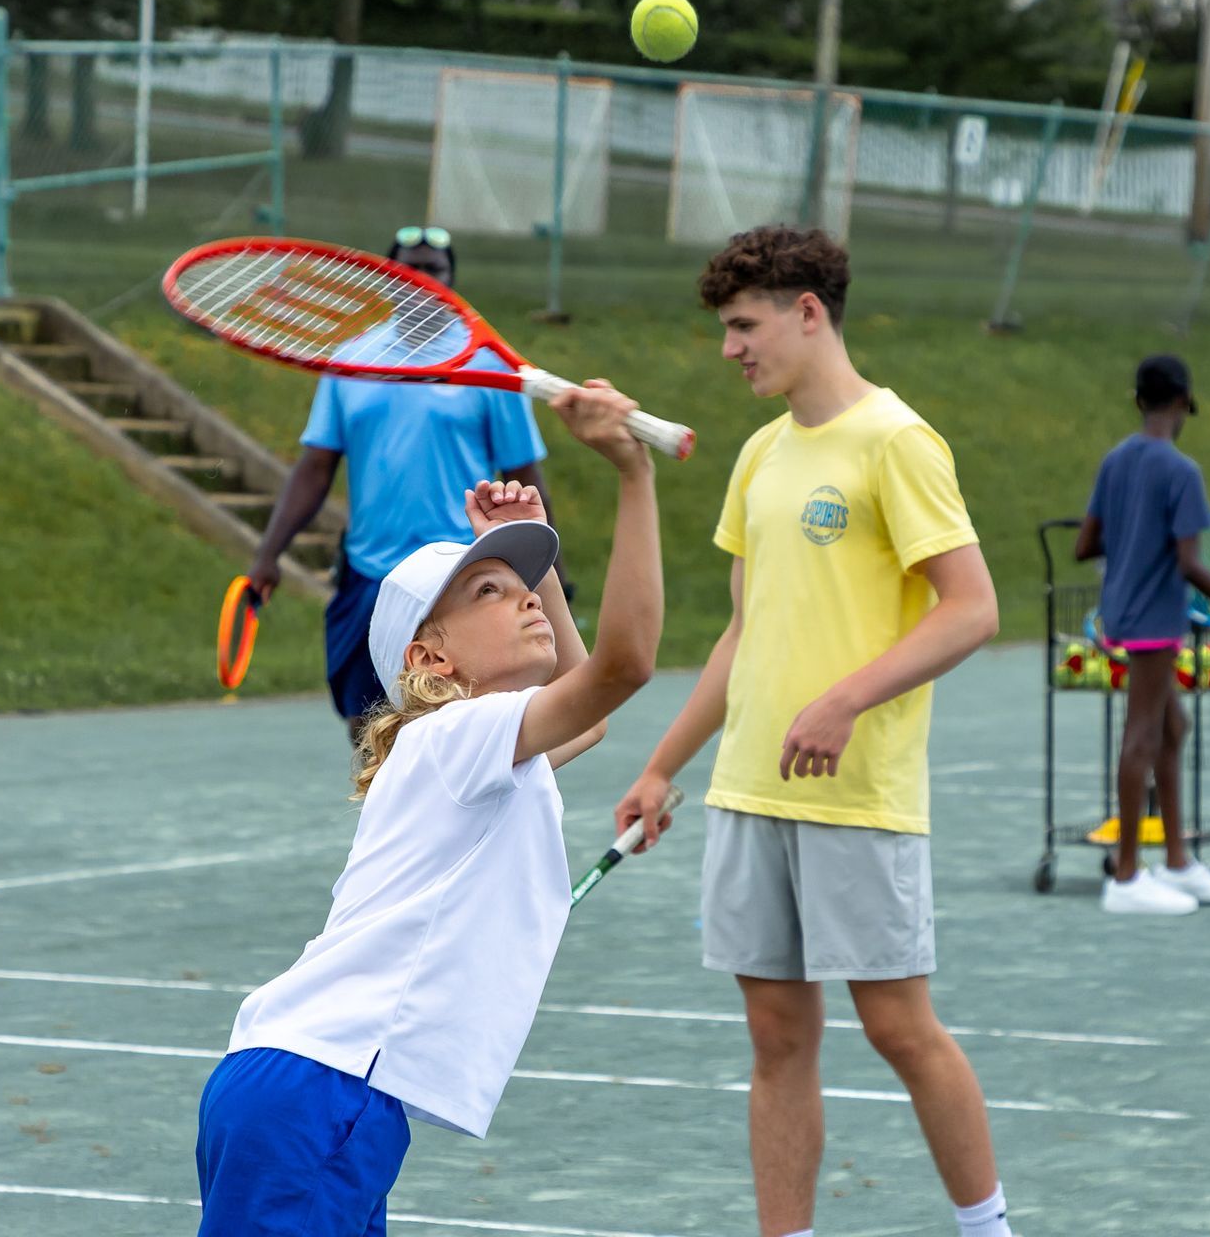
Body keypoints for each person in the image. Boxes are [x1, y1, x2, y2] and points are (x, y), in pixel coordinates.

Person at [614, 226, 1018, 1237]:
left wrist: (846, 699)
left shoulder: (896, 440)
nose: (729, 348)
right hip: (749, 790)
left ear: (808, 312)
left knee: (899, 1027)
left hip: (858, 793)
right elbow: (746, 631)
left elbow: (971, 607)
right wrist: (663, 765)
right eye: (724, 329)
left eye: (744, 325)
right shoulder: (759, 455)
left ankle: (989, 1227)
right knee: (774, 1037)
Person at [195, 382, 661, 1235]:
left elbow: (588, 717)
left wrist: (541, 570)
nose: (524, 599)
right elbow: (620, 670)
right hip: (318, 1088)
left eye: (523, 588)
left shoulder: (468, 753)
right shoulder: (456, 737)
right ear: (431, 658)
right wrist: (632, 475)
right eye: (489, 592)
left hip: (328, 1094)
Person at [245, 225, 568, 743]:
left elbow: (526, 478)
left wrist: (554, 573)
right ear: (387, 278)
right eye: (409, 268)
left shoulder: (487, 365)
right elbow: (314, 469)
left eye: (434, 269)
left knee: (465, 722)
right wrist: (268, 556)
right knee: (369, 728)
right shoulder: (352, 360)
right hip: (370, 573)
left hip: (458, 575)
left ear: (453, 279)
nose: (422, 278)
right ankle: (385, 821)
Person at [1074, 355, 1210, 915]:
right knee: (1141, 736)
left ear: (1139, 401)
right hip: (1153, 621)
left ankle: (1178, 860)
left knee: (1172, 725)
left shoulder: (1115, 461)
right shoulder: (1182, 472)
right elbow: (1191, 563)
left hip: (1122, 613)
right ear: (1184, 403)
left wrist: (1133, 538)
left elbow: (1085, 545)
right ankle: (1128, 876)